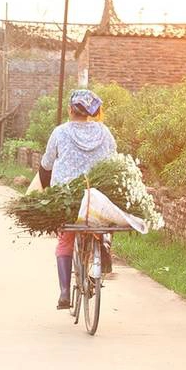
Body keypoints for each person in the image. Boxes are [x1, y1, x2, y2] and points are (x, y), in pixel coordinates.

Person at [39, 89, 117, 309]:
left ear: (70, 110)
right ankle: (104, 246)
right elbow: (113, 159)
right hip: (96, 196)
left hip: (67, 196)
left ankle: (64, 293)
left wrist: (47, 189)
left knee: (65, 240)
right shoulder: (104, 132)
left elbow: (46, 164)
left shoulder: (60, 132)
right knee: (105, 222)